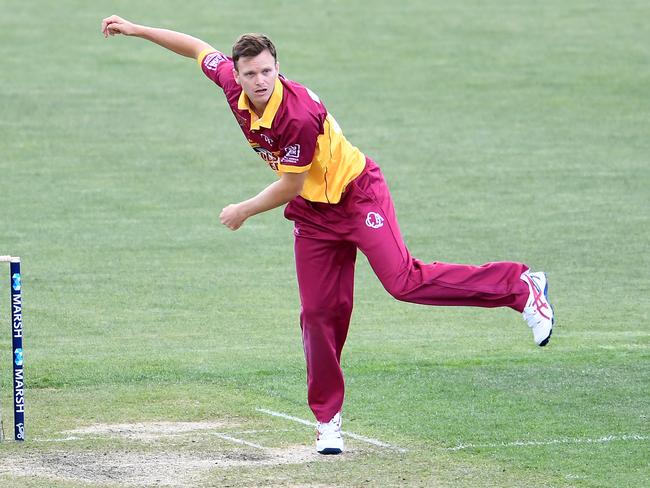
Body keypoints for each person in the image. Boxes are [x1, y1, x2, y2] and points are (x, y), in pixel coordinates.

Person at [101, 15, 555, 455]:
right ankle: (327, 421)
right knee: (319, 314)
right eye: (250, 73)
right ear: (236, 75)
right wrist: (138, 30)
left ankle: (519, 287)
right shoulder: (231, 85)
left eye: (267, 71)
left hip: (357, 196)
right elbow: (197, 48)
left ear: (278, 68)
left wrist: (243, 210)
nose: (260, 81)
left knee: (404, 283)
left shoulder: (297, 114)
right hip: (314, 216)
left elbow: (289, 185)